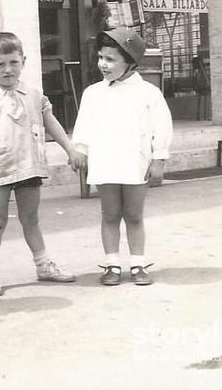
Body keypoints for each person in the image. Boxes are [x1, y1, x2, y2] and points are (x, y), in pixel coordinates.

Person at [0, 32, 81, 297]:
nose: (7, 69)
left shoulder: (32, 93)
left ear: (23, 61)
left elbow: (50, 121)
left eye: (13, 62)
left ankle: (43, 265)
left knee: (31, 219)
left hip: (28, 165)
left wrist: (70, 148)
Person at [72, 27, 172, 286]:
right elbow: (84, 125)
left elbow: (162, 126)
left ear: (130, 63)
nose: (102, 64)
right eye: (101, 58)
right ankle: (112, 264)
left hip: (135, 161)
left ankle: (138, 263)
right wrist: (80, 150)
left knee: (134, 214)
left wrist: (158, 158)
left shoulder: (148, 93)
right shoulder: (93, 93)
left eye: (110, 59)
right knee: (110, 213)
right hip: (105, 160)